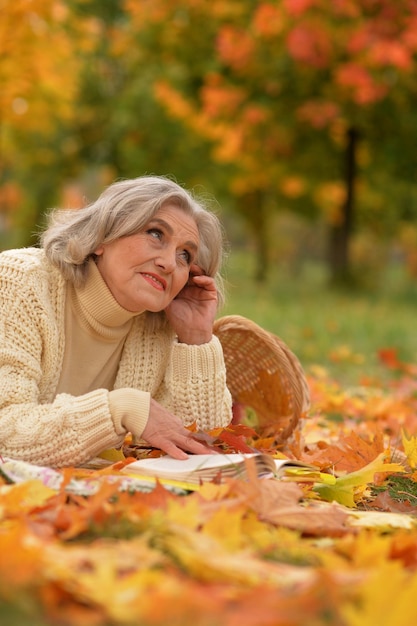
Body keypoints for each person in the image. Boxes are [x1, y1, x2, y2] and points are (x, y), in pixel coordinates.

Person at [0, 175, 233, 468]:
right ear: (101, 238)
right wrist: (121, 409)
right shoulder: (19, 282)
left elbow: (201, 449)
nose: (169, 263)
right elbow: (5, 432)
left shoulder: (158, 328)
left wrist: (196, 338)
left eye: (185, 255)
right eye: (156, 234)